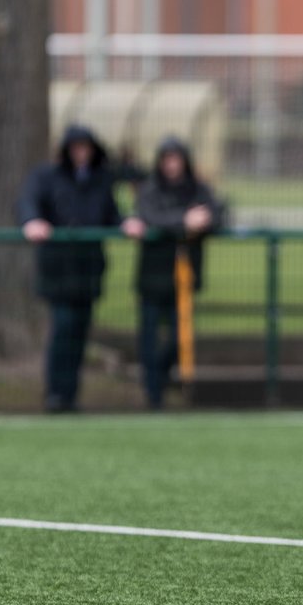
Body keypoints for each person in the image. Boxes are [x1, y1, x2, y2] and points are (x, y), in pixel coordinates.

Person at [17, 124, 124, 413]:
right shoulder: (46, 176)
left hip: (88, 267)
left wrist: (126, 223)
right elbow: (28, 203)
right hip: (58, 267)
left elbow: (112, 214)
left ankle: (71, 395)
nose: (80, 153)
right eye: (76, 147)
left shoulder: (100, 180)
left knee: (80, 331)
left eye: (85, 147)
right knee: (63, 328)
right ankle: (55, 392)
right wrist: (32, 221)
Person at [122, 137, 224, 410]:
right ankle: (152, 393)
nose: (171, 165)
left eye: (176, 159)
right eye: (167, 159)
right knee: (149, 337)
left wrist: (203, 221)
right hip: (153, 277)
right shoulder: (150, 190)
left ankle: (161, 376)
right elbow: (150, 217)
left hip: (184, 278)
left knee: (180, 338)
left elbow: (215, 215)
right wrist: (184, 222)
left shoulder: (198, 189)